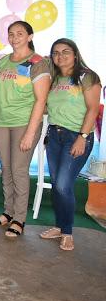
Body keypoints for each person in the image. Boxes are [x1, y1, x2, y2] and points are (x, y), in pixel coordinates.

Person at [0, 21, 50, 237]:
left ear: (30, 36)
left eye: (20, 33)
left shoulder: (38, 63)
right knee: (6, 169)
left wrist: (30, 133)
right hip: (0, 122)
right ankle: (8, 211)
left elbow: (41, 100)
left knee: (19, 169)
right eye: (11, 34)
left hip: (24, 122)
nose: (14, 37)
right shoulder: (4, 61)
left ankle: (19, 218)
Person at [39, 39, 100, 251]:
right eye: (55, 53)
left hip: (76, 137)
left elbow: (93, 109)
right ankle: (59, 226)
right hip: (54, 136)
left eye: (66, 52)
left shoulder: (86, 76)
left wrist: (82, 137)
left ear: (75, 54)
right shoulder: (54, 79)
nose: (60, 56)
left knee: (64, 185)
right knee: (57, 184)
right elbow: (48, 107)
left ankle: (67, 232)